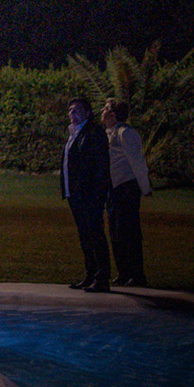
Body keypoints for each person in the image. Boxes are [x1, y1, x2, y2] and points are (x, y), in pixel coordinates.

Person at [61, 97, 113, 293]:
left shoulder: (93, 132)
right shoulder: (74, 133)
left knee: (95, 234)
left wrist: (98, 193)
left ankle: (102, 277)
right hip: (75, 194)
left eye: (76, 110)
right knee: (85, 236)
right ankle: (90, 273)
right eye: (70, 110)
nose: (72, 114)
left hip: (89, 195)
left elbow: (101, 165)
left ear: (87, 113)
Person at [102, 99, 151, 287]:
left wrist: (144, 187)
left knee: (129, 231)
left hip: (126, 187)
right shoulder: (108, 133)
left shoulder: (126, 133)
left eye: (106, 109)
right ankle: (123, 272)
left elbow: (137, 162)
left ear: (113, 115)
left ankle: (137, 274)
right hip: (113, 188)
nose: (102, 111)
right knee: (115, 230)